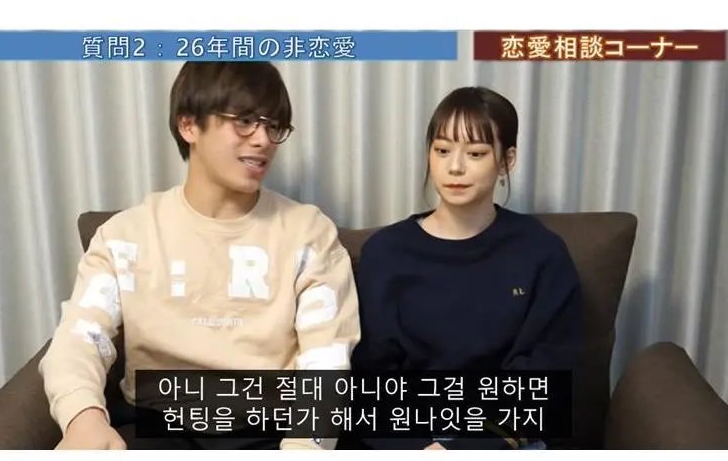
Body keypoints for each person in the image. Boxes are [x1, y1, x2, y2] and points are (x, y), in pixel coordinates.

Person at [39, 61, 361, 450]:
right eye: (245, 121)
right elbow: (80, 338)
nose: (264, 140)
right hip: (156, 424)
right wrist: (83, 416)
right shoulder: (126, 236)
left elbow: (327, 364)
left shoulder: (309, 233)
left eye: (274, 125)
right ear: (188, 125)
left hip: (269, 428)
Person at [348, 85, 583, 450]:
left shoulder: (541, 252)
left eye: (475, 153)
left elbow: (549, 373)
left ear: (507, 160)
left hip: (502, 439)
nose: (454, 167)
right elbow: (370, 378)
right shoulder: (386, 253)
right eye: (442, 150)